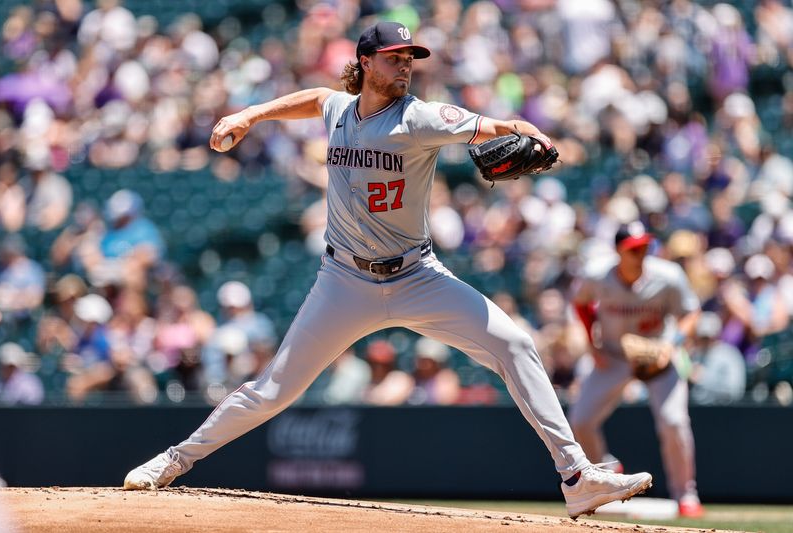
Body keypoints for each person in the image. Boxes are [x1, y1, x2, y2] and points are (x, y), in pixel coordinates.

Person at [123, 21, 652, 519]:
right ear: (364, 61)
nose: (405, 66)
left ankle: (576, 476)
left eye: (410, 58)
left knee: (515, 345)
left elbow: (490, 125)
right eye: (394, 57)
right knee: (272, 391)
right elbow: (316, 99)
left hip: (416, 276)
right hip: (344, 282)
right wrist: (249, 115)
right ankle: (173, 460)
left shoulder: (418, 117)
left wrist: (524, 129)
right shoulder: (340, 110)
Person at [569, 222, 704, 518]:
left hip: (658, 356)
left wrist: (674, 343)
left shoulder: (668, 276)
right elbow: (580, 303)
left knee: (674, 422)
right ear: (619, 250)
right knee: (581, 420)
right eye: (633, 249)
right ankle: (607, 470)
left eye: (644, 246)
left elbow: (690, 312)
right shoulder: (597, 275)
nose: (641, 253)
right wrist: (593, 344)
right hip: (615, 356)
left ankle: (687, 495)